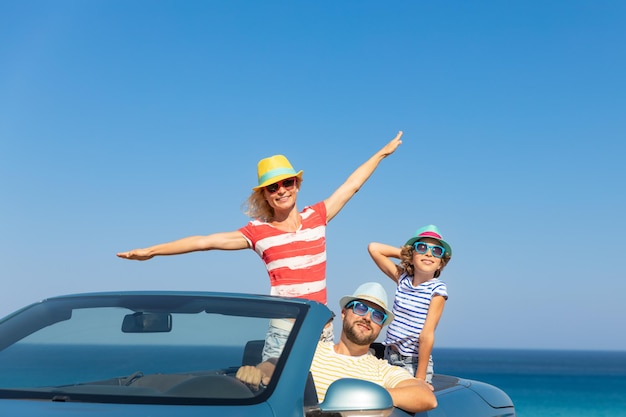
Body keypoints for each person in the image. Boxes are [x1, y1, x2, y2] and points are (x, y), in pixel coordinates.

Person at [117, 131, 403, 359]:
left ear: (297, 184)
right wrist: (151, 251)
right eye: (273, 187)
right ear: (264, 195)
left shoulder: (317, 216)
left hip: (320, 328)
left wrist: (381, 153)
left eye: (287, 183)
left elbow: (351, 185)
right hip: (283, 328)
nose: (281, 190)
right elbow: (204, 242)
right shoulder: (258, 232)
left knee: (317, 398)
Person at [235, 282, 437, 414]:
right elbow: (276, 363)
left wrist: (373, 395)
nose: (367, 317)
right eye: (361, 308)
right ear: (343, 313)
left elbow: (426, 397)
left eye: (377, 316)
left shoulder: (382, 370)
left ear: (381, 326)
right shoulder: (311, 351)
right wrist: (258, 371)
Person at [367, 225, 452, 385]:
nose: (428, 253)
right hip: (388, 356)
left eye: (436, 251)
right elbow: (374, 248)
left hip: (411, 363)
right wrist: (408, 255)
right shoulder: (403, 279)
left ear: (440, 264)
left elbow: (427, 335)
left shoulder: (437, 289)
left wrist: (420, 377)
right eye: (422, 247)